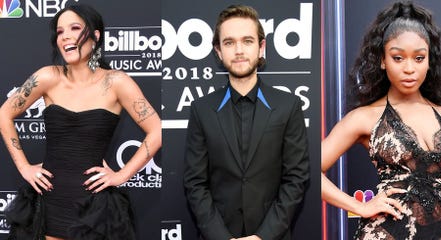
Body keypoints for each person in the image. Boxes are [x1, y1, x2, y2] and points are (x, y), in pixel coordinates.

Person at [0, 4, 162, 240]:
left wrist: (122, 175)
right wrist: (24, 167)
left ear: (95, 36)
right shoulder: (47, 77)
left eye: (75, 28)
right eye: (60, 31)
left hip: (95, 208)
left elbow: (156, 130)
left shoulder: (117, 82)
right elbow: (4, 114)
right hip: (48, 201)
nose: (65, 36)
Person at [321, 1, 441, 239]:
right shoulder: (365, 118)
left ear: (429, 61)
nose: (409, 68)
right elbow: (306, 171)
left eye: (419, 58)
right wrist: (359, 206)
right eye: (398, 58)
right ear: (383, 60)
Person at [183, 5, 310, 240]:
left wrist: (262, 236)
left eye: (247, 41)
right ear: (218, 51)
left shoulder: (288, 106)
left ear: (261, 47)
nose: (239, 50)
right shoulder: (202, 110)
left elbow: (296, 179)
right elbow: (195, 184)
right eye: (229, 42)